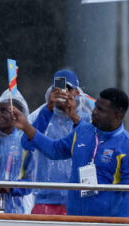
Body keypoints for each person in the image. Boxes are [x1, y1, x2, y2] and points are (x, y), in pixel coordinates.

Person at [15, 87, 129, 217]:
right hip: (74, 221)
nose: (94, 112)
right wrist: (26, 127)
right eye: (95, 107)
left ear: (118, 115)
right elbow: (54, 150)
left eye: (100, 110)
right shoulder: (82, 131)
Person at [26, 70, 93, 215]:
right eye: (57, 89)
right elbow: (26, 145)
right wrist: (48, 109)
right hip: (46, 200)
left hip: (80, 197)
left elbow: (95, 148)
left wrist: (75, 118)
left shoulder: (89, 117)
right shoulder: (40, 114)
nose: (63, 93)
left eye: (67, 89)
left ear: (76, 92)